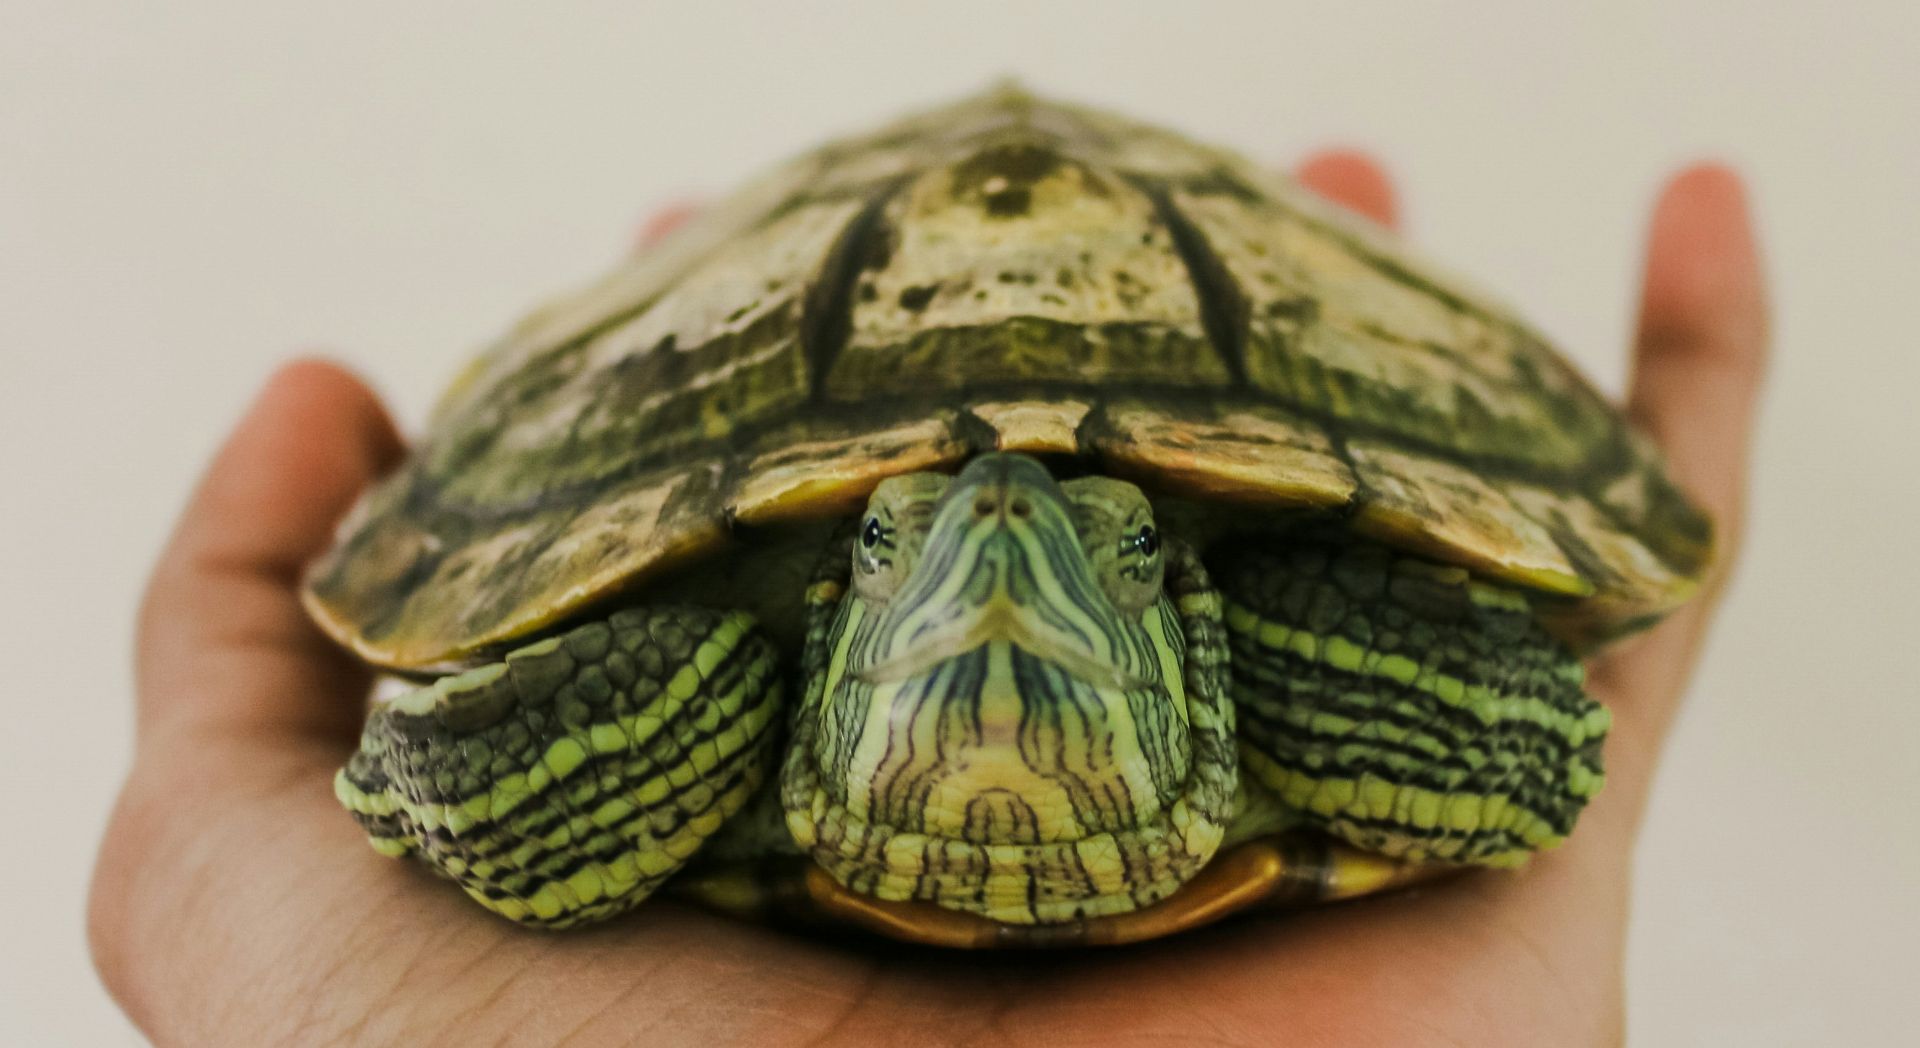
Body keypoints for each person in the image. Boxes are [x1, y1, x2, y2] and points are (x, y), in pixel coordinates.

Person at [89, 152, 1768, 1046]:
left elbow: (1536, 740)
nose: (994, 524)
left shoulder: (1255, 649)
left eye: (1099, 540)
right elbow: (1543, 743)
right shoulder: (732, 676)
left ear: (1178, 602)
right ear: (832, 621)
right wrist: (458, 777)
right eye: (893, 544)